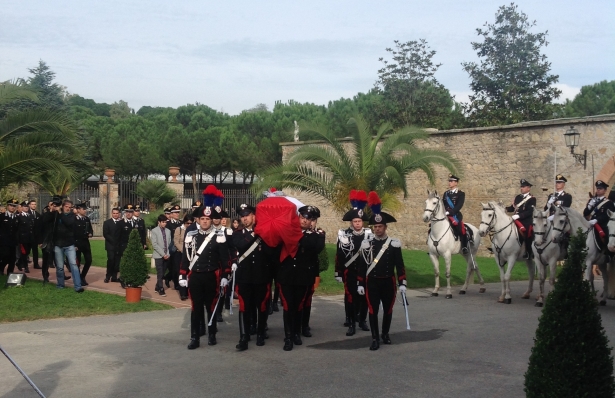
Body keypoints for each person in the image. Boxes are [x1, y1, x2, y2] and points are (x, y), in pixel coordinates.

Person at [179, 205, 231, 349]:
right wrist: (182, 275)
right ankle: (195, 337)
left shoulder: (219, 236)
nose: (205, 221)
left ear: (211, 220)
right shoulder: (191, 235)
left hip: (211, 276)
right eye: (202, 219)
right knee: (195, 308)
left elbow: (224, 258)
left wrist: (225, 275)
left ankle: (212, 334)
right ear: (198, 220)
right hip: (195, 275)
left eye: (207, 219)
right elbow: (185, 257)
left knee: (211, 306)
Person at [360, 191, 406, 351]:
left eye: (380, 226)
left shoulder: (394, 244)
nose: (377, 229)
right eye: (375, 227)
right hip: (372, 281)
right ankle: (374, 338)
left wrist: (402, 282)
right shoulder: (368, 244)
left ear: (385, 227)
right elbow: (362, 266)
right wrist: (360, 283)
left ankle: (385, 333)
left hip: (388, 281)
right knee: (372, 310)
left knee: (388, 309)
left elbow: (400, 264)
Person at [277, 205, 325, 351]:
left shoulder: (317, 234)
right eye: (302, 217)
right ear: (298, 217)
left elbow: (316, 248)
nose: (304, 220)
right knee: (287, 306)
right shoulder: (287, 231)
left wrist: (299, 235)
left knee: (299, 306)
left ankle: (297, 332)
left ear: (312, 221)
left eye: (308, 218)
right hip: (287, 275)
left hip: (304, 276)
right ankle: (288, 336)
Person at [232, 203, 275, 350]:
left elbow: (271, 252)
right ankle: (244, 336)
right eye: (242, 216)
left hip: (262, 276)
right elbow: (241, 246)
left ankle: (261, 333)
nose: (244, 218)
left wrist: (264, 233)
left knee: (261, 306)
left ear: (254, 216)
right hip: (244, 276)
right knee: (244, 306)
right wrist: (257, 233)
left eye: (247, 215)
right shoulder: (238, 234)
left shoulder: (265, 233)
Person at [335, 190, 371, 336]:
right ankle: (351, 323)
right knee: (350, 297)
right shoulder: (344, 234)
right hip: (349, 270)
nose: (357, 223)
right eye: (355, 221)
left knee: (364, 298)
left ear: (363, 222)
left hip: (365, 271)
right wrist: (338, 272)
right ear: (351, 222)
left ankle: (362, 320)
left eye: (360, 221)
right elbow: (339, 255)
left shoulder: (369, 234)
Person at [47, 199, 84, 293]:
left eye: (69, 207)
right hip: (58, 244)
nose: (68, 208)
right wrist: (52, 210)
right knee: (59, 266)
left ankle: (78, 286)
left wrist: (60, 213)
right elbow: (47, 221)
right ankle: (60, 284)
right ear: (62, 206)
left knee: (73, 265)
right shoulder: (56, 214)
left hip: (69, 244)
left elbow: (68, 222)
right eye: (66, 207)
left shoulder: (72, 216)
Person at [302, 208, 324, 338]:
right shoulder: (298, 233)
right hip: (297, 271)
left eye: (313, 220)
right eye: (309, 219)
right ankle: (297, 324)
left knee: (307, 300)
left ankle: (305, 325)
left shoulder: (318, 235)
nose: (311, 222)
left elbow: (317, 249)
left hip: (311, 271)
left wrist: (315, 233)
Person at [505, 179, 536, 259]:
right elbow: (513, 208)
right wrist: (505, 209)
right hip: (515, 219)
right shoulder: (518, 197)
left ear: (528, 188)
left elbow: (530, 211)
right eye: (521, 187)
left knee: (527, 233)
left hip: (525, 221)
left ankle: (529, 252)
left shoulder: (532, 199)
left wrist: (519, 216)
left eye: (523, 187)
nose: (521, 188)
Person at [583, 180, 615, 253]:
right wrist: (590, 205)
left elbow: (607, 215)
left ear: (605, 190)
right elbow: (585, 213)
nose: (598, 190)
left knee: (608, 233)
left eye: (600, 189)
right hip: (590, 223)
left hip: (601, 224)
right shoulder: (592, 200)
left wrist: (597, 220)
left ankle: (608, 253)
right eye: (597, 188)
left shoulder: (608, 203)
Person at [443, 174, 468, 253]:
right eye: (449, 181)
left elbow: (459, 206)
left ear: (456, 183)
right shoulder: (446, 194)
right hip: (446, 216)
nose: (449, 182)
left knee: (461, 229)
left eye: (451, 181)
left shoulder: (460, 194)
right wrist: (445, 212)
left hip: (455, 216)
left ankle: (464, 247)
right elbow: (443, 204)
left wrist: (450, 212)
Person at [116, 204, 140, 287]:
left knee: (132, 264)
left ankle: (130, 279)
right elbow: (117, 236)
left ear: (133, 212)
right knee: (125, 264)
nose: (128, 213)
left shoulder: (136, 222)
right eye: (127, 212)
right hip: (124, 247)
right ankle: (123, 279)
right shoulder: (121, 223)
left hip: (133, 247)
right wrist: (118, 248)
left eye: (130, 212)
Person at [151, 214, 172, 297]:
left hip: (167, 255)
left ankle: (157, 286)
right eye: (163, 222)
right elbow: (155, 244)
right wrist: (163, 254)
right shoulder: (154, 231)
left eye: (165, 222)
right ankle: (161, 288)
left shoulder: (168, 231)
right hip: (158, 255)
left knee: (163, 273)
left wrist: (168, 254)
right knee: (160, 272)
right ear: (159, 222)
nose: (164, 224)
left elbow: (169, 243)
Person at [173, 214, 194, 300]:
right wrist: (184, 250)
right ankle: (182, 293)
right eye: (187, 223)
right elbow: (176, 241)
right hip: (181, 253)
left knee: (190, 273)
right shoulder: (179, 229)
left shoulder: (195, 230)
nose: (189, 225)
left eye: (190, 223)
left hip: (192, 255)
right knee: (182, 273)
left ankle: (189, 291)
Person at [74, 203, 94, 285]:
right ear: (78, 210)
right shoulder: (73, 219)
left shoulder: (86, 219)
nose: (85, 210)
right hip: (77, 244)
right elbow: (72, 233)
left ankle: (83, 276)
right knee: (77, 263)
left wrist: (90, 233)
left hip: (85, 243)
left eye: (85, 209)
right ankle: (78, 278)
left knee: (89, 260)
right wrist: (74, 244)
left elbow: (91, 230)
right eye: (83, 209)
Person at [164, 205, 182, 289]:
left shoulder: (181, 224)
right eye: (175, 213)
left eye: (178, 212)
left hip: (179, 249)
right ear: (171, 214)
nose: (177, 214)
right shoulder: (168, 224)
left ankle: (175, 283)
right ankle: (169, 278)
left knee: (177, 267)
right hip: (171, 249)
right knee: (172, 267)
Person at [0, 199, 19, 276]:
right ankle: (1, 269)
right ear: (7, 206)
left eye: (14, 206)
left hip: (13, 241)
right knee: (5, 256)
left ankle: (10, 273)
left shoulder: (16, 217)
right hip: (4, 241)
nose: (12, 207)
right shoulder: (2, 216)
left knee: (12, 258)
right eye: (11, 205)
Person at [103, 208, 122, 283]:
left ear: (119, 214)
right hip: (110, 245)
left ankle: (114, 277)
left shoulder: (121, 222)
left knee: (117, 262)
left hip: (119, 246)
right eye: (114, 213)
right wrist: (114, 241)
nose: (115, 214)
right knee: (111, 260)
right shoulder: (107, 222)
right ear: (112, 214)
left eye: (117, 213)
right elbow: (105, 234)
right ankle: (108, 276)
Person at [16, 201, 34, 274]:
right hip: (23, 238)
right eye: (24, 206)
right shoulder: (19, 216)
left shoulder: (30, 216)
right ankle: (25, 267)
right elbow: (17, 228)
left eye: (27, 206)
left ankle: (19, 262)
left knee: (27, 252)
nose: (26, 208)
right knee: (24, 252)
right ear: (22, 207)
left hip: (30, 238)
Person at [28, 200, 42, 269]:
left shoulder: (37, 214)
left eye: (35, 204)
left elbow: (39, 227)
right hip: (28, 236)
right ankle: (23, 264)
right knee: (26, 251)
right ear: (29, 205)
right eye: (32, 204)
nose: (34, 205)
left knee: (35, 251)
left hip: (35, 237)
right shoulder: (26, 213)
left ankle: (36, 264)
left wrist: (39, 240)